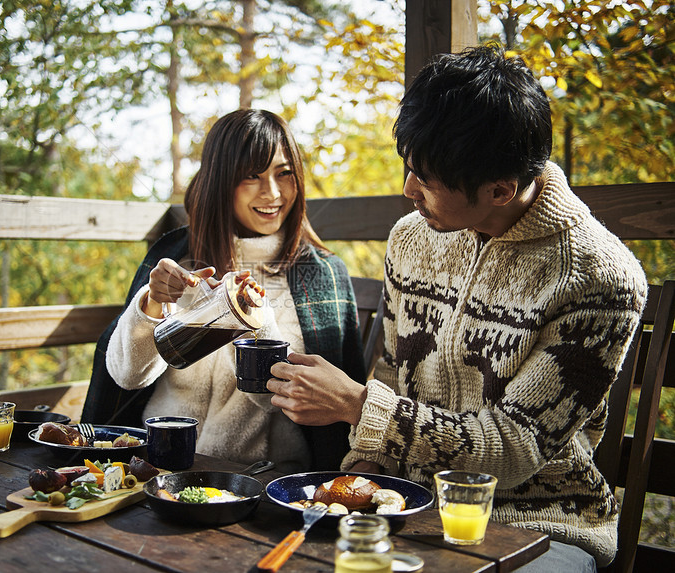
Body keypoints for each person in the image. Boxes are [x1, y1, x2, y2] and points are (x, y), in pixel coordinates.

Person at [266, 45, 647, 571]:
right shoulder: (411, 239)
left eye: (426, 179)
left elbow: (513, 449)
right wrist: (354, 483)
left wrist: (358, 406)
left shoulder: (600, 277)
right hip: (406, 506)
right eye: (409, 168)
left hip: (537, 524)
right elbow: (392, 375)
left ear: (500, 189)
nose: (407, 191)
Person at [81, 108, 366, 472]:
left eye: (284, 173)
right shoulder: (175, 258)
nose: (273, 193)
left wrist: (251, 321)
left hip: (257, 475)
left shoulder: (319, 275)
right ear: (220, 180)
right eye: (252, 176)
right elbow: (127, 376)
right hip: (157, 464)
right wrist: (152, 302)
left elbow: (292, 400)